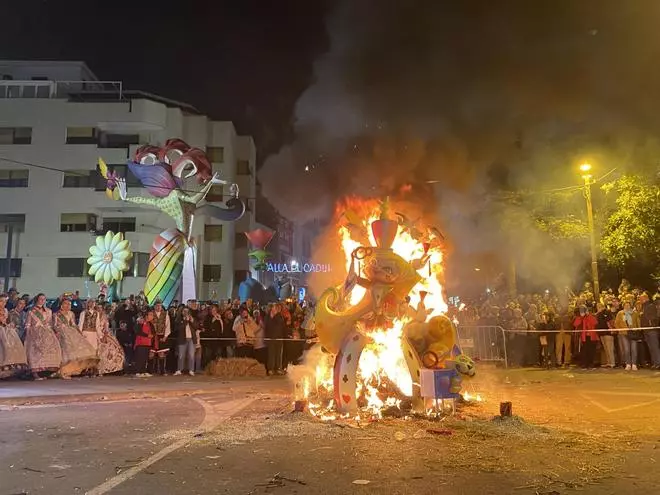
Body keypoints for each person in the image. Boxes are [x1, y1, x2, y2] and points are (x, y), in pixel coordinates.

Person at [53, 299, 99, 378]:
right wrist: (59, 330)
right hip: (61, 333)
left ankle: (75, 370)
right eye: (66, 304)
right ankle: (64, 371)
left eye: (69, 304)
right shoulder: (56, 314)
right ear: (61, 305)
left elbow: (73, 324)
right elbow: (54, 325)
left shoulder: (71, 313)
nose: (68, 306)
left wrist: (79, 332)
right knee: (66, 351)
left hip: (71, 332)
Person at [24, 293, 62, 380]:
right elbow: (28, 324)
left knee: (49, 350)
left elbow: (50, 324)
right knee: (35, 352)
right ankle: (35, 373)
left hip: (46, 332)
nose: (42, 300)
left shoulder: (49, 311)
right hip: (34, 332)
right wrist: (27, 333)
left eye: (44, 299)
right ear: (37, 299)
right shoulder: (31, 311)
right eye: (41, 299)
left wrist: (52, 332)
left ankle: (46, 371)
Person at [0, 295, 27, 378]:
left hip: (5, 329)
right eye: (1, 301)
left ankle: (9, 367)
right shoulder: (11, 312)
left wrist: (9, 324)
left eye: (5, 301)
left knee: (11, 344)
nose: (3, 303)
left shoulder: (5, 310)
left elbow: (6, 321)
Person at [97, 306, 125, 375]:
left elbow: (106, 327)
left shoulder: (104, 317)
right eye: (97, 309)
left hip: (105, 334)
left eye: (100, 309)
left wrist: (105, 336)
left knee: (115, 350)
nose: (99, 310)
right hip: (96, 335)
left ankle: (111, 369)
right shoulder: (95, 316)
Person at [615, 301, 642, 371]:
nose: (627, 307)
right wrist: (620, 330)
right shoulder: (620, 313)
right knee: (626, 350)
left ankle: (634, 364)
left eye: (628, 305)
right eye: (625, 305)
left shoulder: (635, 313)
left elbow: (638, 322)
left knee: (634, 349)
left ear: (630, 306)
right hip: (624, 334)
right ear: (623, 306)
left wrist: (638, 330)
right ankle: (628, 364)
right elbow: (616, 323)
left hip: (633, 333)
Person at [174, 307, 198, 376]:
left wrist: (191, 321)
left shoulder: (192, 319)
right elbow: (178, 329)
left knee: (191, 355)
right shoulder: (178, 320)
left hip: (191, 339)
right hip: (182, 339)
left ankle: (191, 370)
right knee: (181, 355)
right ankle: (179, 369)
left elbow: (196, 327)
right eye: (184, 311)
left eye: (187, 311)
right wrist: (185, 321)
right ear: (181, 312)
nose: (186, 313)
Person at [639, 293, 660, 369]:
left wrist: (650, 322)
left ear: (645, 298)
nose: (640, 300)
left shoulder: (651, 306)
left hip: (651, 330)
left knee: (654, 347)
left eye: (641, 299)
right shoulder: (643, 307)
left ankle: (658, 363)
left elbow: (654, 317)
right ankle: (654, 363)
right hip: (646, 330)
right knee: (650, 348)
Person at [265, 304, 286, 375]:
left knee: (279, 354)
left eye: (276, 308)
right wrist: (271, 317)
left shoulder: (279, 316)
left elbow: (280, 323)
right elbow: (267, 326)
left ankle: (278, 368)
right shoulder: (267, 317)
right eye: (274, 308)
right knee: (271, 354)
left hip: (279, 338)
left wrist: (275, 315)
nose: (275, 309)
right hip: (271, 338)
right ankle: (270, 369)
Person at [151, 300, 171, 375]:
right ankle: (151, 370)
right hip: (153, 336)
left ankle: (162, 371)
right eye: (157, 305)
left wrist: (165, 336)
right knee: (151, 353)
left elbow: (168, 326)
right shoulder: (151, 314)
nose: (158, 307)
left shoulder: (165, 314)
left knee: (161, 353)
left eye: (160, 305)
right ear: (154, 306)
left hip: (161, 335)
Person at [134, 310, 154, 377]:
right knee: (140, 358)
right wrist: (147, 335)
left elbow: (153, 332)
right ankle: (138, 372)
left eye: (152, 315)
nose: (152, 316)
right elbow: (138, 331)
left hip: (148, 343)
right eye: (150, 314)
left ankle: (143, 371)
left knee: (145, 358)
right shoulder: (141, 321)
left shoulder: (150, 324)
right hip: (141, 342)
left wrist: (151, 336)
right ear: (146, 316)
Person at [595, 302, 615, 368]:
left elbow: (609, 321)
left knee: (610, 348)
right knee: (606, 349)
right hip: (601, 333)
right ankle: (608, 362)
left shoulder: (607, 312)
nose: (598, 307)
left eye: (599, 306)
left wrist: (611, 329)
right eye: (597, 306)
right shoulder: (598, 314)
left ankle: (612, 363)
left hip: (608, 333)